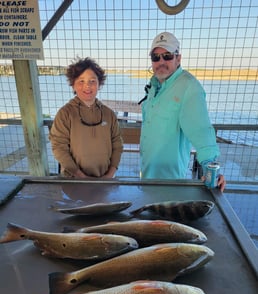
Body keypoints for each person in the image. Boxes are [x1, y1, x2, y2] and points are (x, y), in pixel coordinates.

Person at [139, 32, 226, 192]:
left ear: (178, 58)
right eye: (155, 57)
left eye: (167, 55)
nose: (161, 62)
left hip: (170, 183)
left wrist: (210, 166)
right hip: (146, 177)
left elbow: (201, 129)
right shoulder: (154, 86)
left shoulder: (189, 87)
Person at [49, 57, 123, 178]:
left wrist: (110, 174)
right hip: (74, 181)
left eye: (92, 81)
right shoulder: (65, 114)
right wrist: (80, 175)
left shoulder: (109, 114)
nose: (87, 86)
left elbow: (117, 144)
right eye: (81, 81)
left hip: (104, 180)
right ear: (73, 85)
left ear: (99, 84)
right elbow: (58, 146)